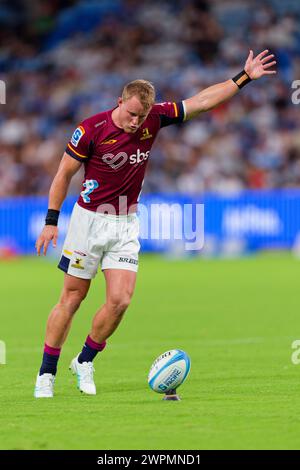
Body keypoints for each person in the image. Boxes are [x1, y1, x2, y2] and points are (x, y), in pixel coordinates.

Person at [34, 49, 276, 397]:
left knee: (120, 300)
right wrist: (51, 221)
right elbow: (63, 174)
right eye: (132, 113)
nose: (136, 121)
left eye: (142, 115)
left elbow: (202, 102)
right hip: (88, 222)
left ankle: (84, 360)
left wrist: (244, 77)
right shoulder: (90, 129)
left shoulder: (154, 118)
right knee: (72, 298)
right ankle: (46, 374)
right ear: (120, 101)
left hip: (126, 222)